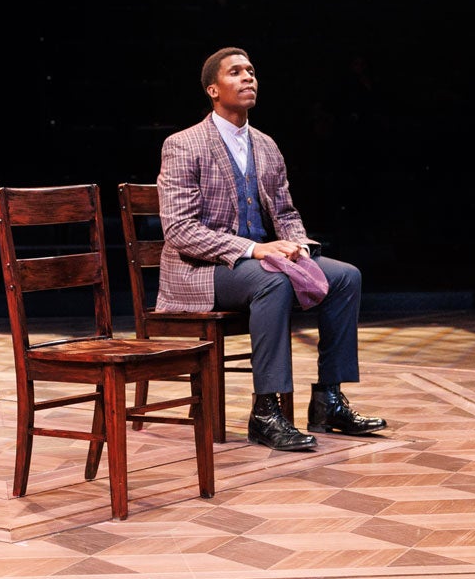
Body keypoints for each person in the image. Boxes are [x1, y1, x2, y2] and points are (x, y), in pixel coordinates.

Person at [156, 49, 388, 451]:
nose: (248, 78)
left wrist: (297, 245)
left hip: (262, 263)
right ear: (213, 89)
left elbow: (285, 211)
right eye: (235, 72)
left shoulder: (265, 145)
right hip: (200, 271)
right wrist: (254, 248)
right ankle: (266, 410)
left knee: (346, 276)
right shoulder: (183, 144)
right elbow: (179, 230)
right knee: (271, 282)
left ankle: (328, 400)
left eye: (251, 71)